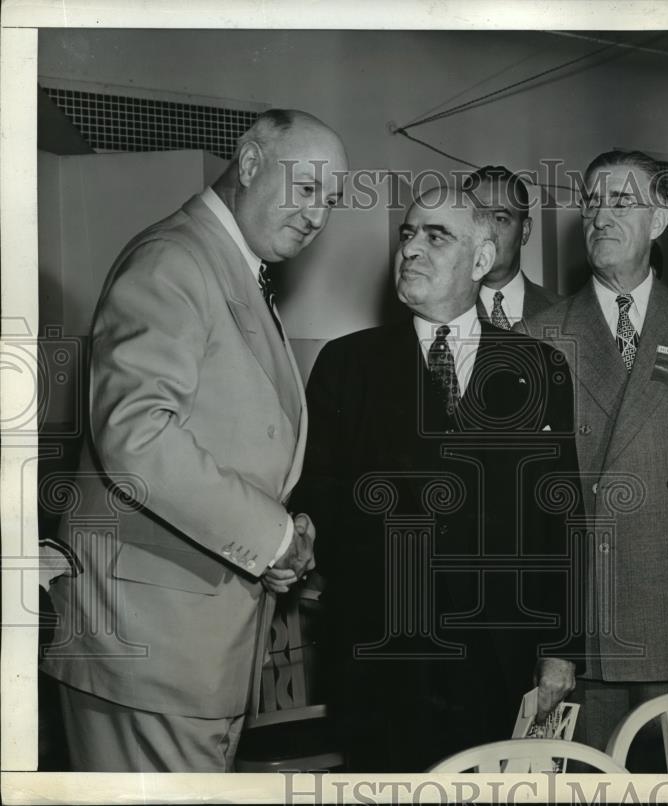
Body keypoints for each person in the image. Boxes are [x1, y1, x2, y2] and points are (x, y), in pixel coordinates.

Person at [40, 109, 349, 772]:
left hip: (185, 649)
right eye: (306, 187)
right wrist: (270, 538)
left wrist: (284, 532)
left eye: (332, 199)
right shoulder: (176, 259)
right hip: (149, 648)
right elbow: (136, 433)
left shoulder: (228, 265)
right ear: (250, 162)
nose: (318, 214)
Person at [291, 184, 583, 772]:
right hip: (382, 657)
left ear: (480, 259)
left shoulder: (538, 367)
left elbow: (561, 516)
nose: (411, 249)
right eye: (407, 234)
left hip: (500, 657)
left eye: (435, 235)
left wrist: (560, 650)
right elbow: (318, 497)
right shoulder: (347, 366)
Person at [519, 150, 668, 769]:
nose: (600, 215)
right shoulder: (539, 337)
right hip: (587, 620)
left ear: (658, 222)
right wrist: (549, 635)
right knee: (584, 782)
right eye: (592, 202)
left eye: (621, 201)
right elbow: (527, 513)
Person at [462, 165, 560, 328]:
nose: (488, 232)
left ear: (525, 231)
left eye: (500, 219)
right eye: (478, 218)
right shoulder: (443, 313)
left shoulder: (565, 312)